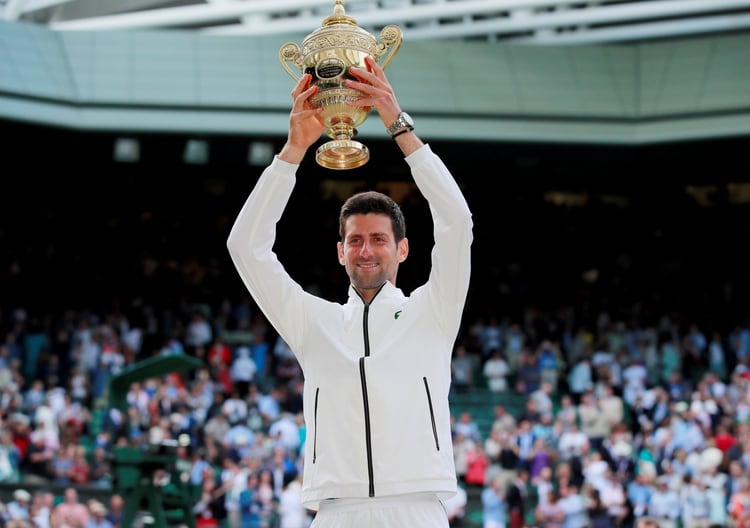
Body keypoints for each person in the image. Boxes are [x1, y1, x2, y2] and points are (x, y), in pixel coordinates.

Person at [227, 54, 473, 527]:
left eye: (378, 239)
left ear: (402, 250)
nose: (366, 250)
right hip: (337, 511)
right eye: (355, 240)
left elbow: (457, 222)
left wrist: (398, 126)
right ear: (339, 252)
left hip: (417, 510)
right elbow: (246, 246)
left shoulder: (434, 311)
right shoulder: (312, 321)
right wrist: (293, 151)